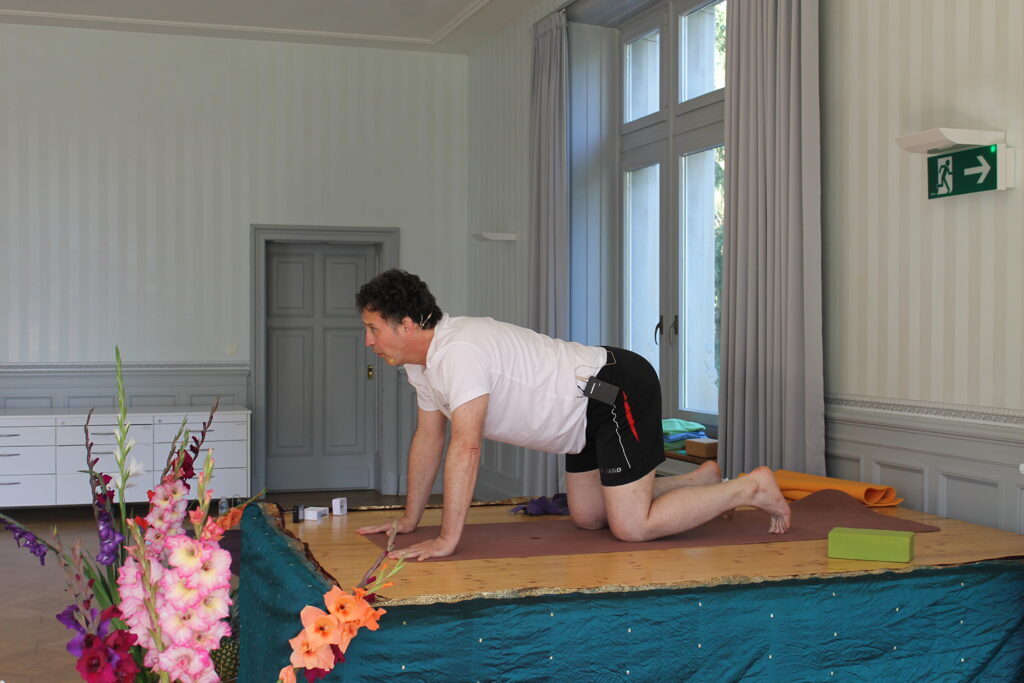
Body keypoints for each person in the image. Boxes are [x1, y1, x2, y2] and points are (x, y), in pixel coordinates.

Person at [355, 269, 791, 560]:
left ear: (406, 325)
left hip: (613, 390)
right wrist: (410, 520)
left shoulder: (458, 351)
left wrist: (448, 539)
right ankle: (700, 481)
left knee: (631, 527)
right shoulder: (422, 365)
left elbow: (466, 448)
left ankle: (748, 487)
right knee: (589, 517)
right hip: (579, 417)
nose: (369, 341)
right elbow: (429, 438)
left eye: (373, 329)